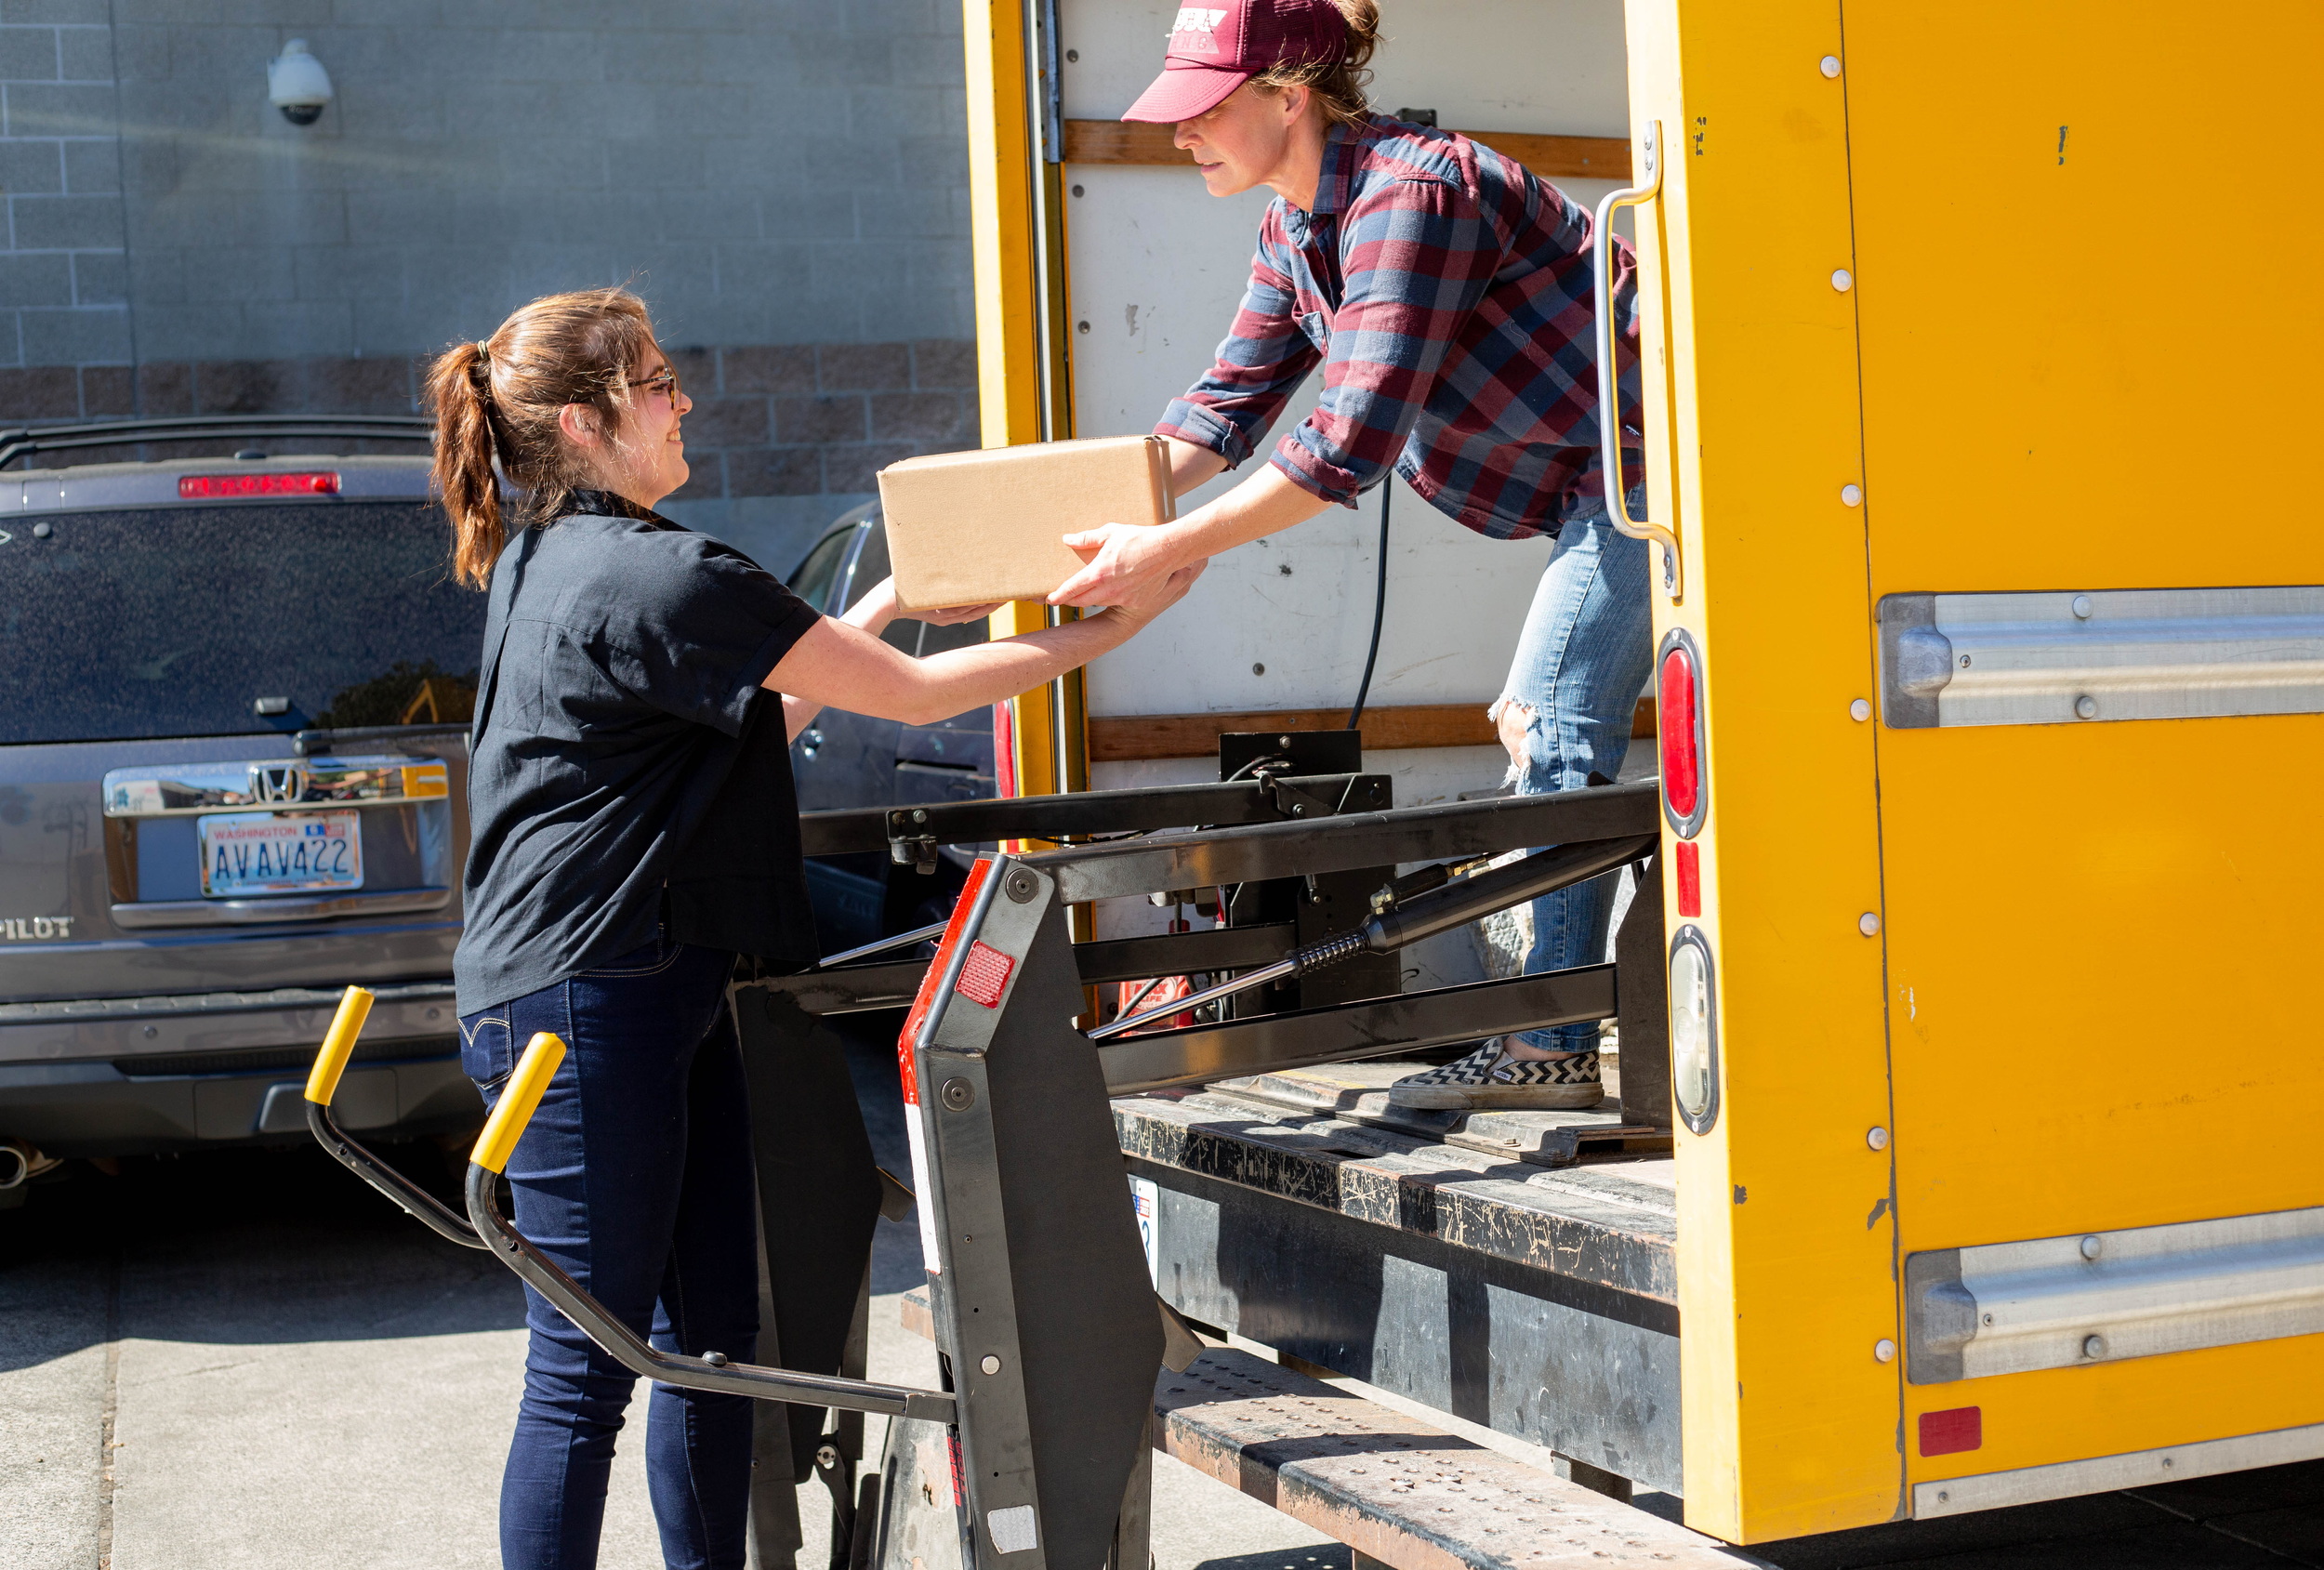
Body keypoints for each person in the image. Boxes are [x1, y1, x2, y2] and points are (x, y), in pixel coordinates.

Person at [429, 287, 1200, 1570]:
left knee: (716, 1346)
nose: (684, 401)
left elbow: (740, 746)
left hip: (642, 988)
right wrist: (1100, 635)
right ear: (588, 418)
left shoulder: (554, 564)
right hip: (582, 1004)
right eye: (659, 381)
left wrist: (887, 597)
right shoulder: (659, 572)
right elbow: (906, 701)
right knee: (586, 1365)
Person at [1051, 0, 1652, 1112]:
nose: (1177, 136)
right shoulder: (1292, 231)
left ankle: (1551, 1053)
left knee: (1554, 725)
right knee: (1544, 726)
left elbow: (1351, 438)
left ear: (1289, 97)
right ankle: (1558, 1034)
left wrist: (1171, 547)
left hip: (1663, 473)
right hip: (1592, 490)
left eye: (1201, 112)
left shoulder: (1411, 192)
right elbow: (1216, 416)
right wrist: (1045, 528)